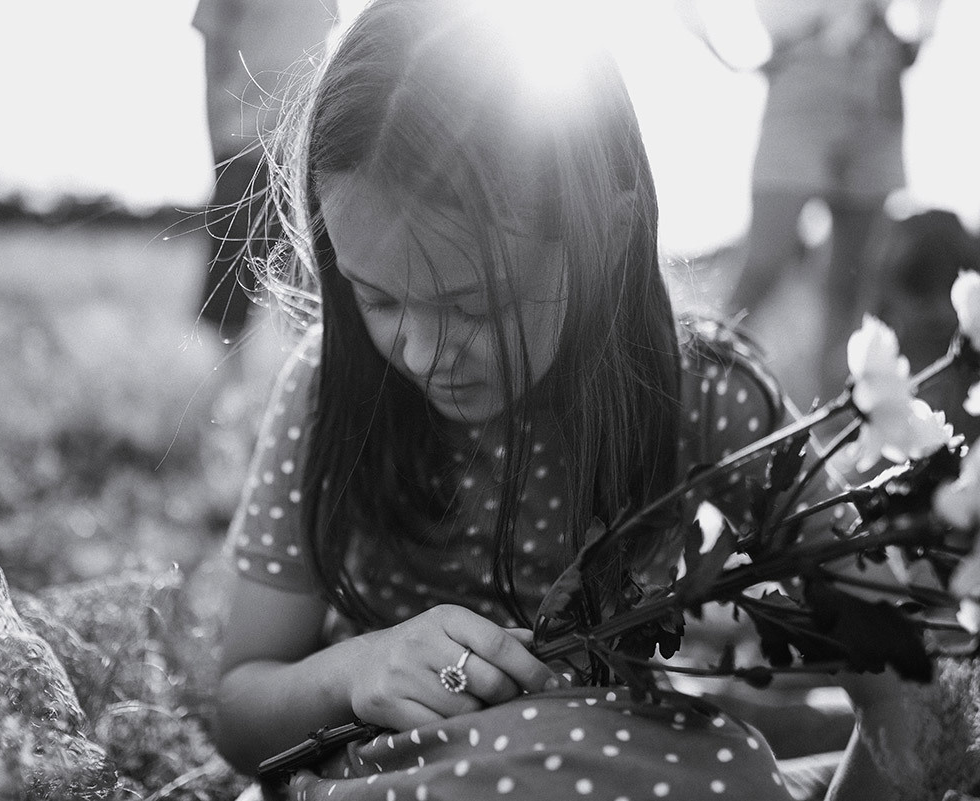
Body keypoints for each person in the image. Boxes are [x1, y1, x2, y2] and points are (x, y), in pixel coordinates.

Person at [212, 1, 894, 798]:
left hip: (635, 768)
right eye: (378, 298)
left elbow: (892, 655)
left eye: (473, 307)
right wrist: (355, 669)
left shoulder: (702, 395)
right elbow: (239, 711)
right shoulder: (330, 388)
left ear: (604, 234)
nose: (425, 354)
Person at [723, 0, 940, 402]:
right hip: (802, 74)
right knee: (764, 266)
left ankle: (829, 422)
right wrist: (724, 52)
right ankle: (699, 384)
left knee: (851, 286)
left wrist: (921, 32)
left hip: (879, 78)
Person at [192, 0, 339, 349]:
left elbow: (325, 48)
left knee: (317, 290)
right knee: (229, 298)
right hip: (245, 143)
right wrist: (220, 146)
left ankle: (309, 387)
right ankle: (234, 395)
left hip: (305, 144)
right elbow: (214, 55)